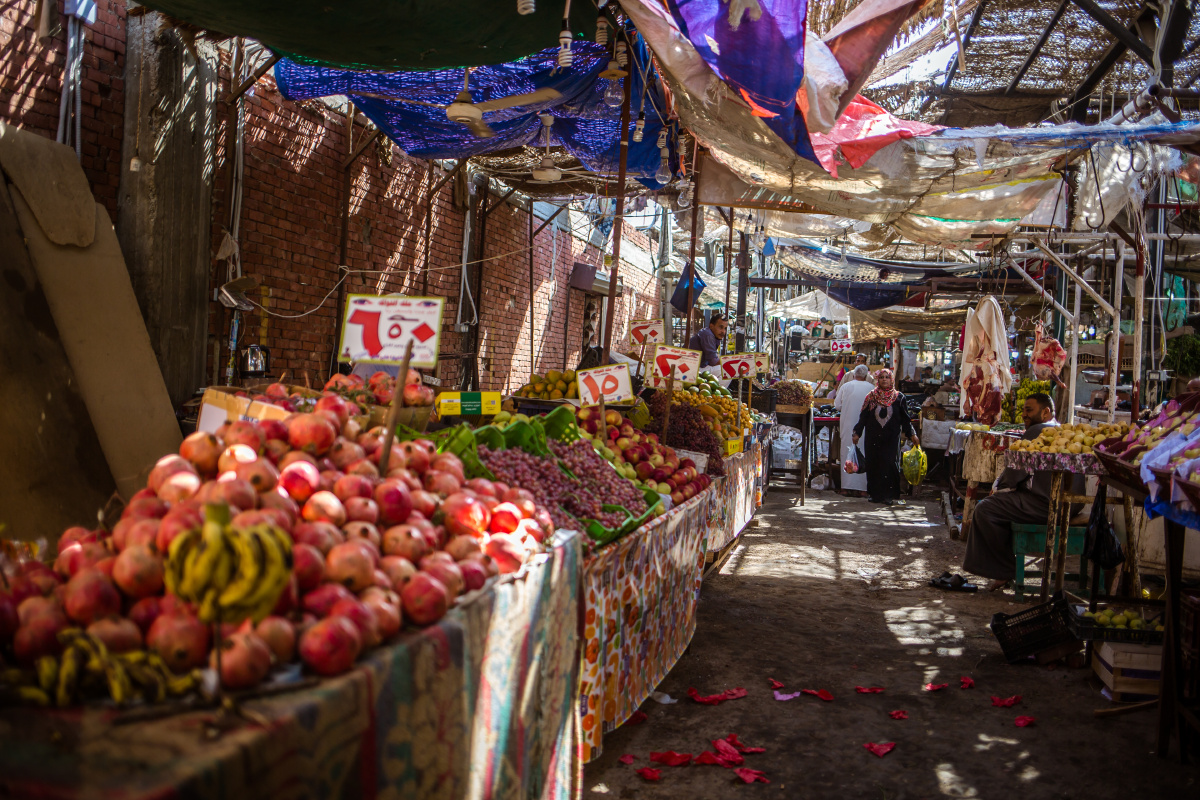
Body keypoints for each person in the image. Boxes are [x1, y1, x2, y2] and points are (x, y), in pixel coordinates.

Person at [962, 393, 1071, 591]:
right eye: (1024, 410)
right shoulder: (1062, 429)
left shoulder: (1038, 430)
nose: (1024, 415)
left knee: (985, 509)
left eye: (1029, 410)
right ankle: (1005, 566)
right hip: (1064, 504)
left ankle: (1004, 570)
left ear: (1046, 412)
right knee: (998, 504)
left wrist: (997, 490)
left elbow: (1014, 472)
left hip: (1044, 505)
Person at [852, 368, 919, 505]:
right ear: (878, 380)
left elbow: (906, 420)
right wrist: (857, 432)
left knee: (889, 465)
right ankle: (875, 495)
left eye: (887, 377)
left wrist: (912, 434)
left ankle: (889, 495)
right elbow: (863, 417)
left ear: (891, 380)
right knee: (874, 464)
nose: (884, 379)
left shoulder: (899, 398)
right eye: (881, 377)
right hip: (873, 439)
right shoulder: (870, 397)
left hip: (891, 439)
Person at [835, 364, 874, 495]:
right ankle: (863, 489)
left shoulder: (846, 386)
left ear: (853, 375)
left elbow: (837, 405)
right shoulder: (871, 388)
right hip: (865, 428)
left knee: (846, 453)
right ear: (866, 376)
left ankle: (845, 488)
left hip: (848, 426)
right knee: (864, 453)